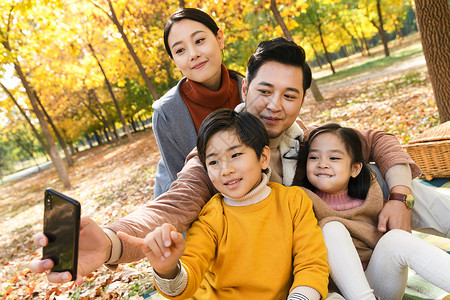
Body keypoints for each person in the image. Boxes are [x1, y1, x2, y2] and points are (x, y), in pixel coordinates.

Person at [31, 37, 449, 287]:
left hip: (368, 224)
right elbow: (171, 206)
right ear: (246, 86)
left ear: (302, 99)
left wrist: (400, 196)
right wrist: (110, 241)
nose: (275, 106)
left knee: (419, 192)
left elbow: (379, 139)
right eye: (265, 91)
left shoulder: (305, 136)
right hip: (314, 260)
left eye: (290, 96)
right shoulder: (221, 154)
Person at [118, 109, 329, 299]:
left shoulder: (293, 201)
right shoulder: (212, 216)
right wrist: (168, 271)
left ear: (263, 157)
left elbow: (311, 263)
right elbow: (191, 269)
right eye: (213, 162)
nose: (226, 170)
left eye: (236, 155)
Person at [295, 123, 450, 300]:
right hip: (335, 289)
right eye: (314, 158)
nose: (322, 164)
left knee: (397, 239)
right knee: (331, 228)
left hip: (379, 280)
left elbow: (380, 140)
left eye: (334, 158)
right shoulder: (301, 199)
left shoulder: (371, 194)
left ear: (355, 168)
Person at [152, 8, 244, 198]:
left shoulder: (251, 91)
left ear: (220, 39)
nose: (193, 54)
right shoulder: (166, 114)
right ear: (174, 61)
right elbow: (182, 188)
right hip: (198, 207)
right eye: (180, 50)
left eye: (199, 41)